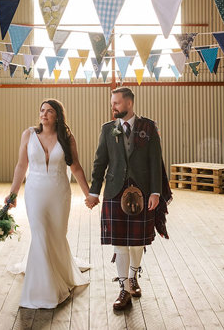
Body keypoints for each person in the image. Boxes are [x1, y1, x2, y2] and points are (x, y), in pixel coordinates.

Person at [5, 99, 91, 309]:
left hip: (59, 192)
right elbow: (20, 165)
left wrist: (89, 194)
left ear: (57, 116)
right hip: (34, 192)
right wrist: (12, 194)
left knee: (57, 234)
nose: (43, 114)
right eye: (42, 110)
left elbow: (76, 167)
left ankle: (61, 272)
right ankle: (42, 290)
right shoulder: (28, 135)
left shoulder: (67, 138)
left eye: (49, 111)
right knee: (40, 234)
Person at [85, 87, 164, 310]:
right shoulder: (108, 129)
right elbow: (100, 162)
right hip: (114, 190)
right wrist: (93, 191)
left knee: (138, 243)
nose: (113, 107)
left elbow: (155, 161)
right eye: (113, 103)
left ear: (129, 103)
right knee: (120, 243)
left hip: (142, 192)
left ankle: (133, 278)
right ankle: (123, 289)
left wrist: (156, 192)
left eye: (117, 103)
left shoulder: (148, 127)